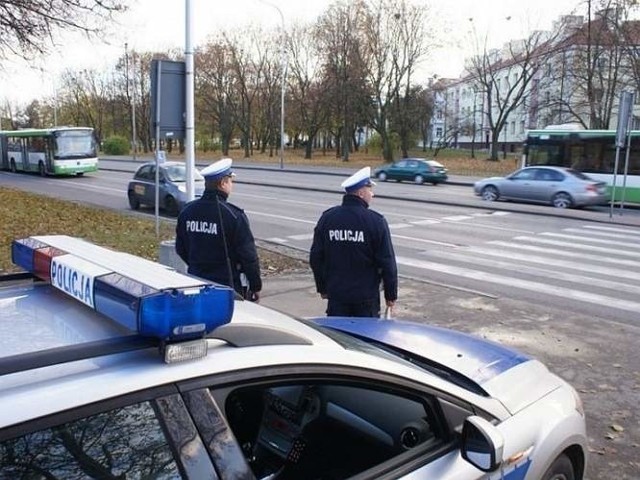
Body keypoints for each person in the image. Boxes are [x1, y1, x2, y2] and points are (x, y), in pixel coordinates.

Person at [309, 166, 398, 317]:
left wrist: (323, 288)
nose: (372, 194)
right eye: (370, 190)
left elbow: (316, 257)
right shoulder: (376, 221)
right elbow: (387, 262)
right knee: (364, 338)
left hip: (337, 296)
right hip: (366, 298)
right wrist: (391, 296)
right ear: (361, 193)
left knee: (338, 336)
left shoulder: (328, 218)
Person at [175, 158, 262, 301]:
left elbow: (180, 248)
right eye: (230, 181)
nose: (231, 185)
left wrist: (198, 265)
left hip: (195, 283)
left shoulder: (187, 211)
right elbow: (249, 257)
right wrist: (255, 286)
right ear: (223, 183)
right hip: (227, 288)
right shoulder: (234, 216)